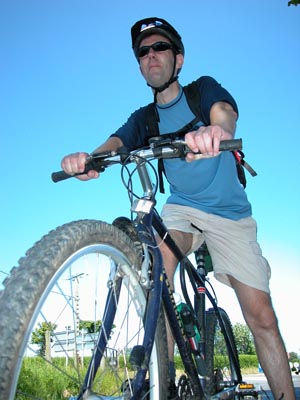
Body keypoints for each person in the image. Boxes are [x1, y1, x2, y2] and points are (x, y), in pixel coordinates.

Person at [61, 17, 295, 400]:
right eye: (143, 52)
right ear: (139, 65)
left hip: (229, 215)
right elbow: (117, 141)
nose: (151, 56)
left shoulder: (201, 90)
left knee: (261, 316)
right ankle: (162, 384)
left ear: (178, 59)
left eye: (160, 48)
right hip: (182, 210)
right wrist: (90, 159)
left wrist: (215, 129)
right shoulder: (145, 118)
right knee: (157, 260)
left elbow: (224, 110)